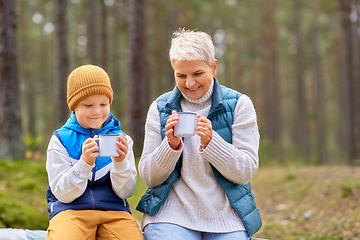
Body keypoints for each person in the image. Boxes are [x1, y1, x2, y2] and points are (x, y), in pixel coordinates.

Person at [136, 29, 262, 240]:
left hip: (226, 216)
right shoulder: (160, 108)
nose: (190, 84)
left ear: (213, 67)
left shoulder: (240, 105)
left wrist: (213, 143)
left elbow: (245, 171)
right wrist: (171, 145)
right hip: (171, 214)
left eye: (197, 74)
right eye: (181, 76)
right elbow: (149, 176)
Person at [45, 64, 143, 240]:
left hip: (114, 211)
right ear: (73, 106)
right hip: (70, 211)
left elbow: (126, 192)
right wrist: (84, 164)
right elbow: (62, 193)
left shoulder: (122, 139)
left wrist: (120, 162)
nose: (97, 111)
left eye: (103, 104)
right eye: (88, 105)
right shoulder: (60, 140)